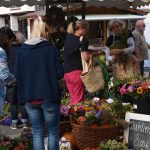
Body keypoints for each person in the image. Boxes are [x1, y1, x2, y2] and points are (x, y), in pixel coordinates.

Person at [15, 16, 64, 150]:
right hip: (49, 95)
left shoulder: (21, 51)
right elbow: (60, 73)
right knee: (53, 132)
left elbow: (17, 75)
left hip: (30, 97)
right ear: (46, 33)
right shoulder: (51, 49)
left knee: (37, 132)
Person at [64, 19, 90, 105]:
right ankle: (78, 117)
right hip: (77, 72)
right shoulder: (83, 40)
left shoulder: (68, 37)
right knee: (79, 101)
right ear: (82, 28)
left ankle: (71, 117)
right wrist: (94, 55)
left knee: (73, 98)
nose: (86, 31)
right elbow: (85, 57)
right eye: (86, 29)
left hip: (67, 73)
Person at [8, 31, 29, 129]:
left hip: (10, 78)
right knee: (22, 101)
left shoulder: (8, 50)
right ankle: (25, 122)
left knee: (13, 102)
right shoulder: (24, 49)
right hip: (22, 77)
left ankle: (14, 122)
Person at [0, 27, 16, 116]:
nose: (11, 44)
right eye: (11, 41)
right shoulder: (1, 52)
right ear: (6, 39)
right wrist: (15, 78)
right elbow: (4, 74)